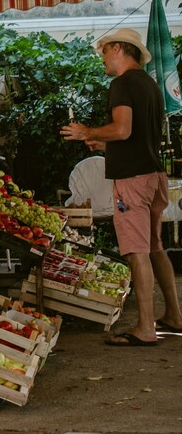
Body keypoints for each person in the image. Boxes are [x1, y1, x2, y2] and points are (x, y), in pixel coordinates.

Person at [60, 28, 182, 346]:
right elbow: (135, 136)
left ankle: (144, 328)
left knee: (136, 252)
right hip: (154, 176)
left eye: (104, 52)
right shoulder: (150, 85)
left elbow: (123, 129)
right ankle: (174, 315)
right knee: (155, 248)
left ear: (118, 48)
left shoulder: (122, 83)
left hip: (132, 181)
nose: (103, 59)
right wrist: (101, 141)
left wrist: (88, 129)